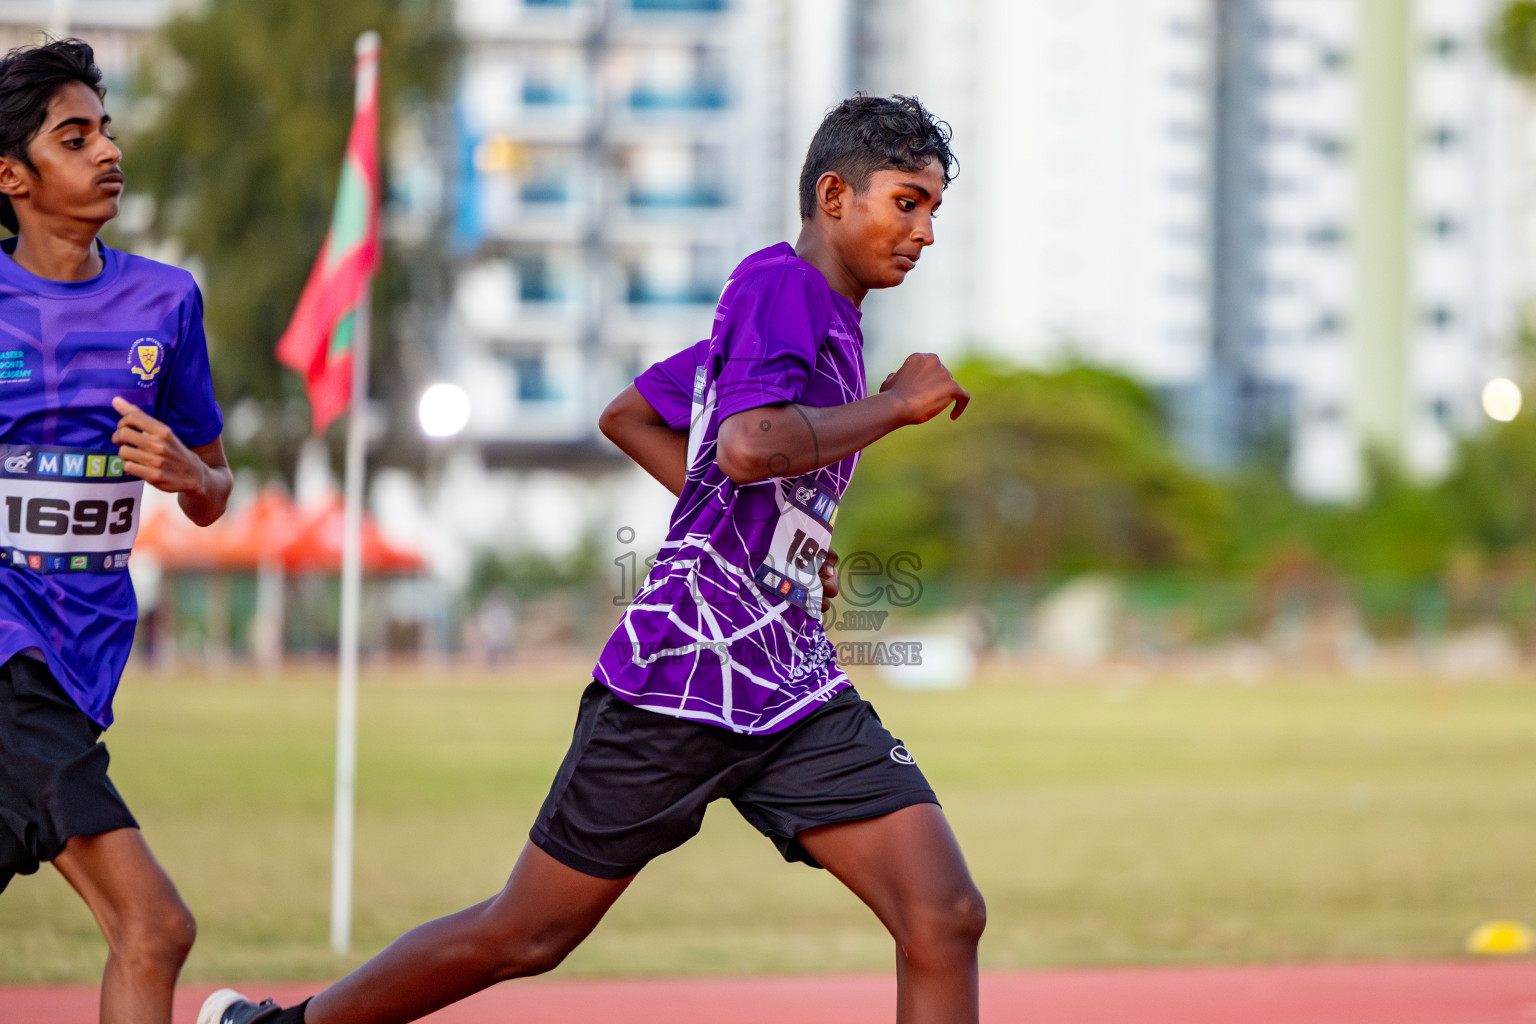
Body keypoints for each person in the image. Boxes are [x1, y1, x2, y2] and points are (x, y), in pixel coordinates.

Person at [204, 93, 981, 1024]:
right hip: (683, 670)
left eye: (935, 208)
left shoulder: (833, 325)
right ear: (833, 195)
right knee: (526, 935)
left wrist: (771, 542)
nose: (926, 231)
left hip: (789, 683)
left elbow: (634, 415)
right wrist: (894, 410)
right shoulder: (782, 286)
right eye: (908, 201)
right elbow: (745, 445)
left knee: (943, 916)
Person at [0, 38, 232, 1024]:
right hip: (11, 662)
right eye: (75, 135)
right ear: (11, 175)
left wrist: (191, 474)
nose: (107, 151)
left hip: (83, 655)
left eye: (107, 129)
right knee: (154, 927)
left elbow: (216, 488)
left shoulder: (165, 301)